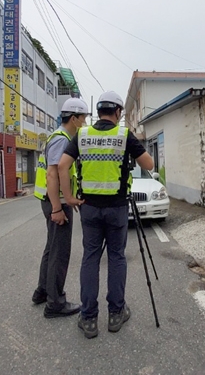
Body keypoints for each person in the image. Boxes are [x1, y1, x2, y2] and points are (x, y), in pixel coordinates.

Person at [58, 91, 153, 338]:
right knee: (116, 258)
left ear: (98, 112)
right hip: (117, 209)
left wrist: (68, 198)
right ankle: (116, 313)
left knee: (90, 258)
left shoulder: (82, 134)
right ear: (118, 112)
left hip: (88, 208)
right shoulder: (124, 135)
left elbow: (62, 165)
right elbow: (149, 165)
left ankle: (88, 318)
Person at [32, 97, 89, 318]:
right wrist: (58, 208)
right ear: (74, 118)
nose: (84, 123)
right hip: (56, 204)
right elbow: (52, 173)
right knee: (59, 253)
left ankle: (43, 291)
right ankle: (55, 303)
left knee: (51, 248)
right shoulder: (62, 140)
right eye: (83, 118)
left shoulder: (60, 137)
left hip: (54, 201)